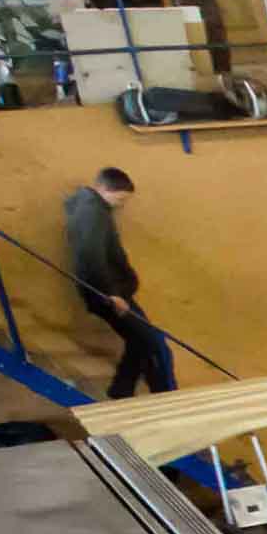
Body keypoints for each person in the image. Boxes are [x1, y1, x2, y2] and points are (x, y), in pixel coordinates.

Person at [64, 166, 173, 399]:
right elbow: (90, 256)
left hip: (112, 290)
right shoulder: (92, 211)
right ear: (103, 188)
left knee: (144, 340)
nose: (121, 205)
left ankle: (123, 390)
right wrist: (111, 294)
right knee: (150, 341)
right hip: (106, 292)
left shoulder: (92, 209)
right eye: (120, 198)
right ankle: (155, 396)